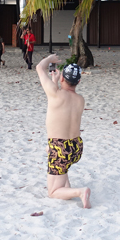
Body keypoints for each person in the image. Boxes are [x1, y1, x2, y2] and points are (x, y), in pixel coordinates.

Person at [36, 54, 91, 209]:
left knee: (53, 192)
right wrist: (55, 83)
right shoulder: (80, 100)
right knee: (51, 151)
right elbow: (66, 100)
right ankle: (67, 186)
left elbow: (39, 68)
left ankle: (80, 192)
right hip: (76, 147)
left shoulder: (55, 93)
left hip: (60, 148)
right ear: (78, 81)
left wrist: (49, 59)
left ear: (62, 79)